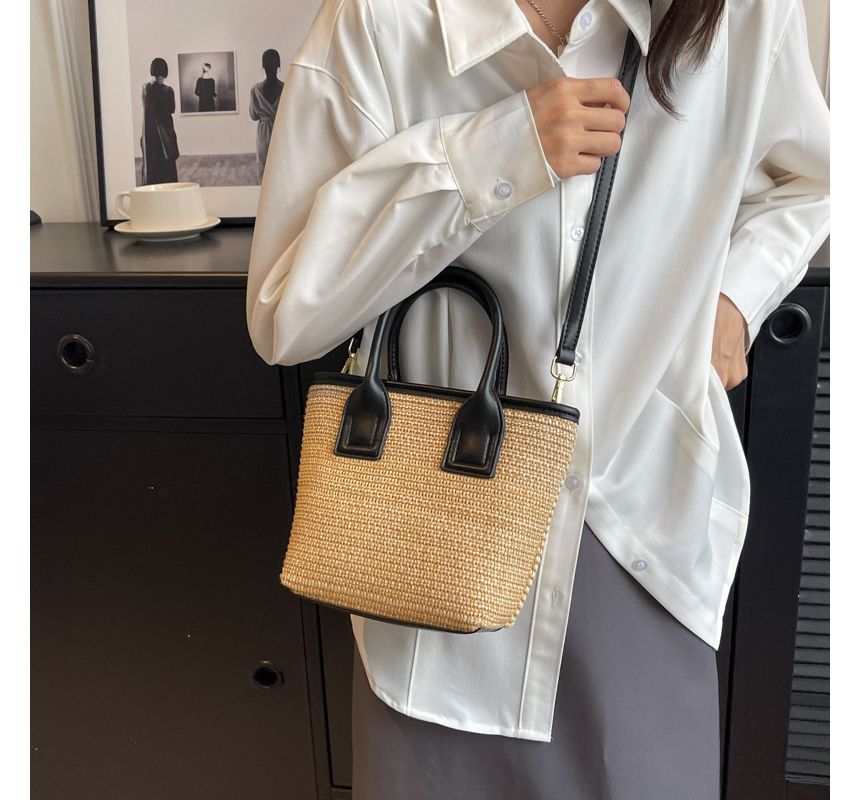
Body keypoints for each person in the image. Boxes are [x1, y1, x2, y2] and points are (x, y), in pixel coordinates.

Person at [246, 0, 830, 797]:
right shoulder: (382, 20)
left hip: (638, 520)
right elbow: (285, 314)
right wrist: (491, 152)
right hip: (431, 537)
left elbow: (811, 178)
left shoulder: (742, 13)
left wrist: (735, 300)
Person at [140, 57, 178, 184]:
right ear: (164, 72)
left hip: (150, 133)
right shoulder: (168, 91)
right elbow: (172, 109)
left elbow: (149, 109)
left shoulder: (145, 89)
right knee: (167, 168)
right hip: (164, 132)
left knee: (152, 165)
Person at [249, 49, 284, 183]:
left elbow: (253, 115)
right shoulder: (285, 88)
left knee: (263, 169)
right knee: (281, 167)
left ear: (263, 66)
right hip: (280, 132)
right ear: (278, 66)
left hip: (263, 133)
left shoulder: (255, 90)